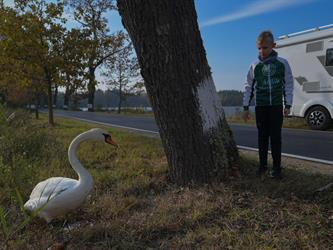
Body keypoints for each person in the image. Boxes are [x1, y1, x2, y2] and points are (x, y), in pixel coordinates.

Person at [243, 30, 294, 179]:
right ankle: (262, 166)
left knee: (276, 138)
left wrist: (288, 104)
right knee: (262, 137)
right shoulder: (254, 65)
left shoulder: (282, 63)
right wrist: (246, 107)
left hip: (276, 106)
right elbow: (248, 86)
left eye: (265, 47)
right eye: (259, 48)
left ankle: (277, 168)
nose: (262, 51)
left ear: (273, 45)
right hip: (261, 106)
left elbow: (289, 84)